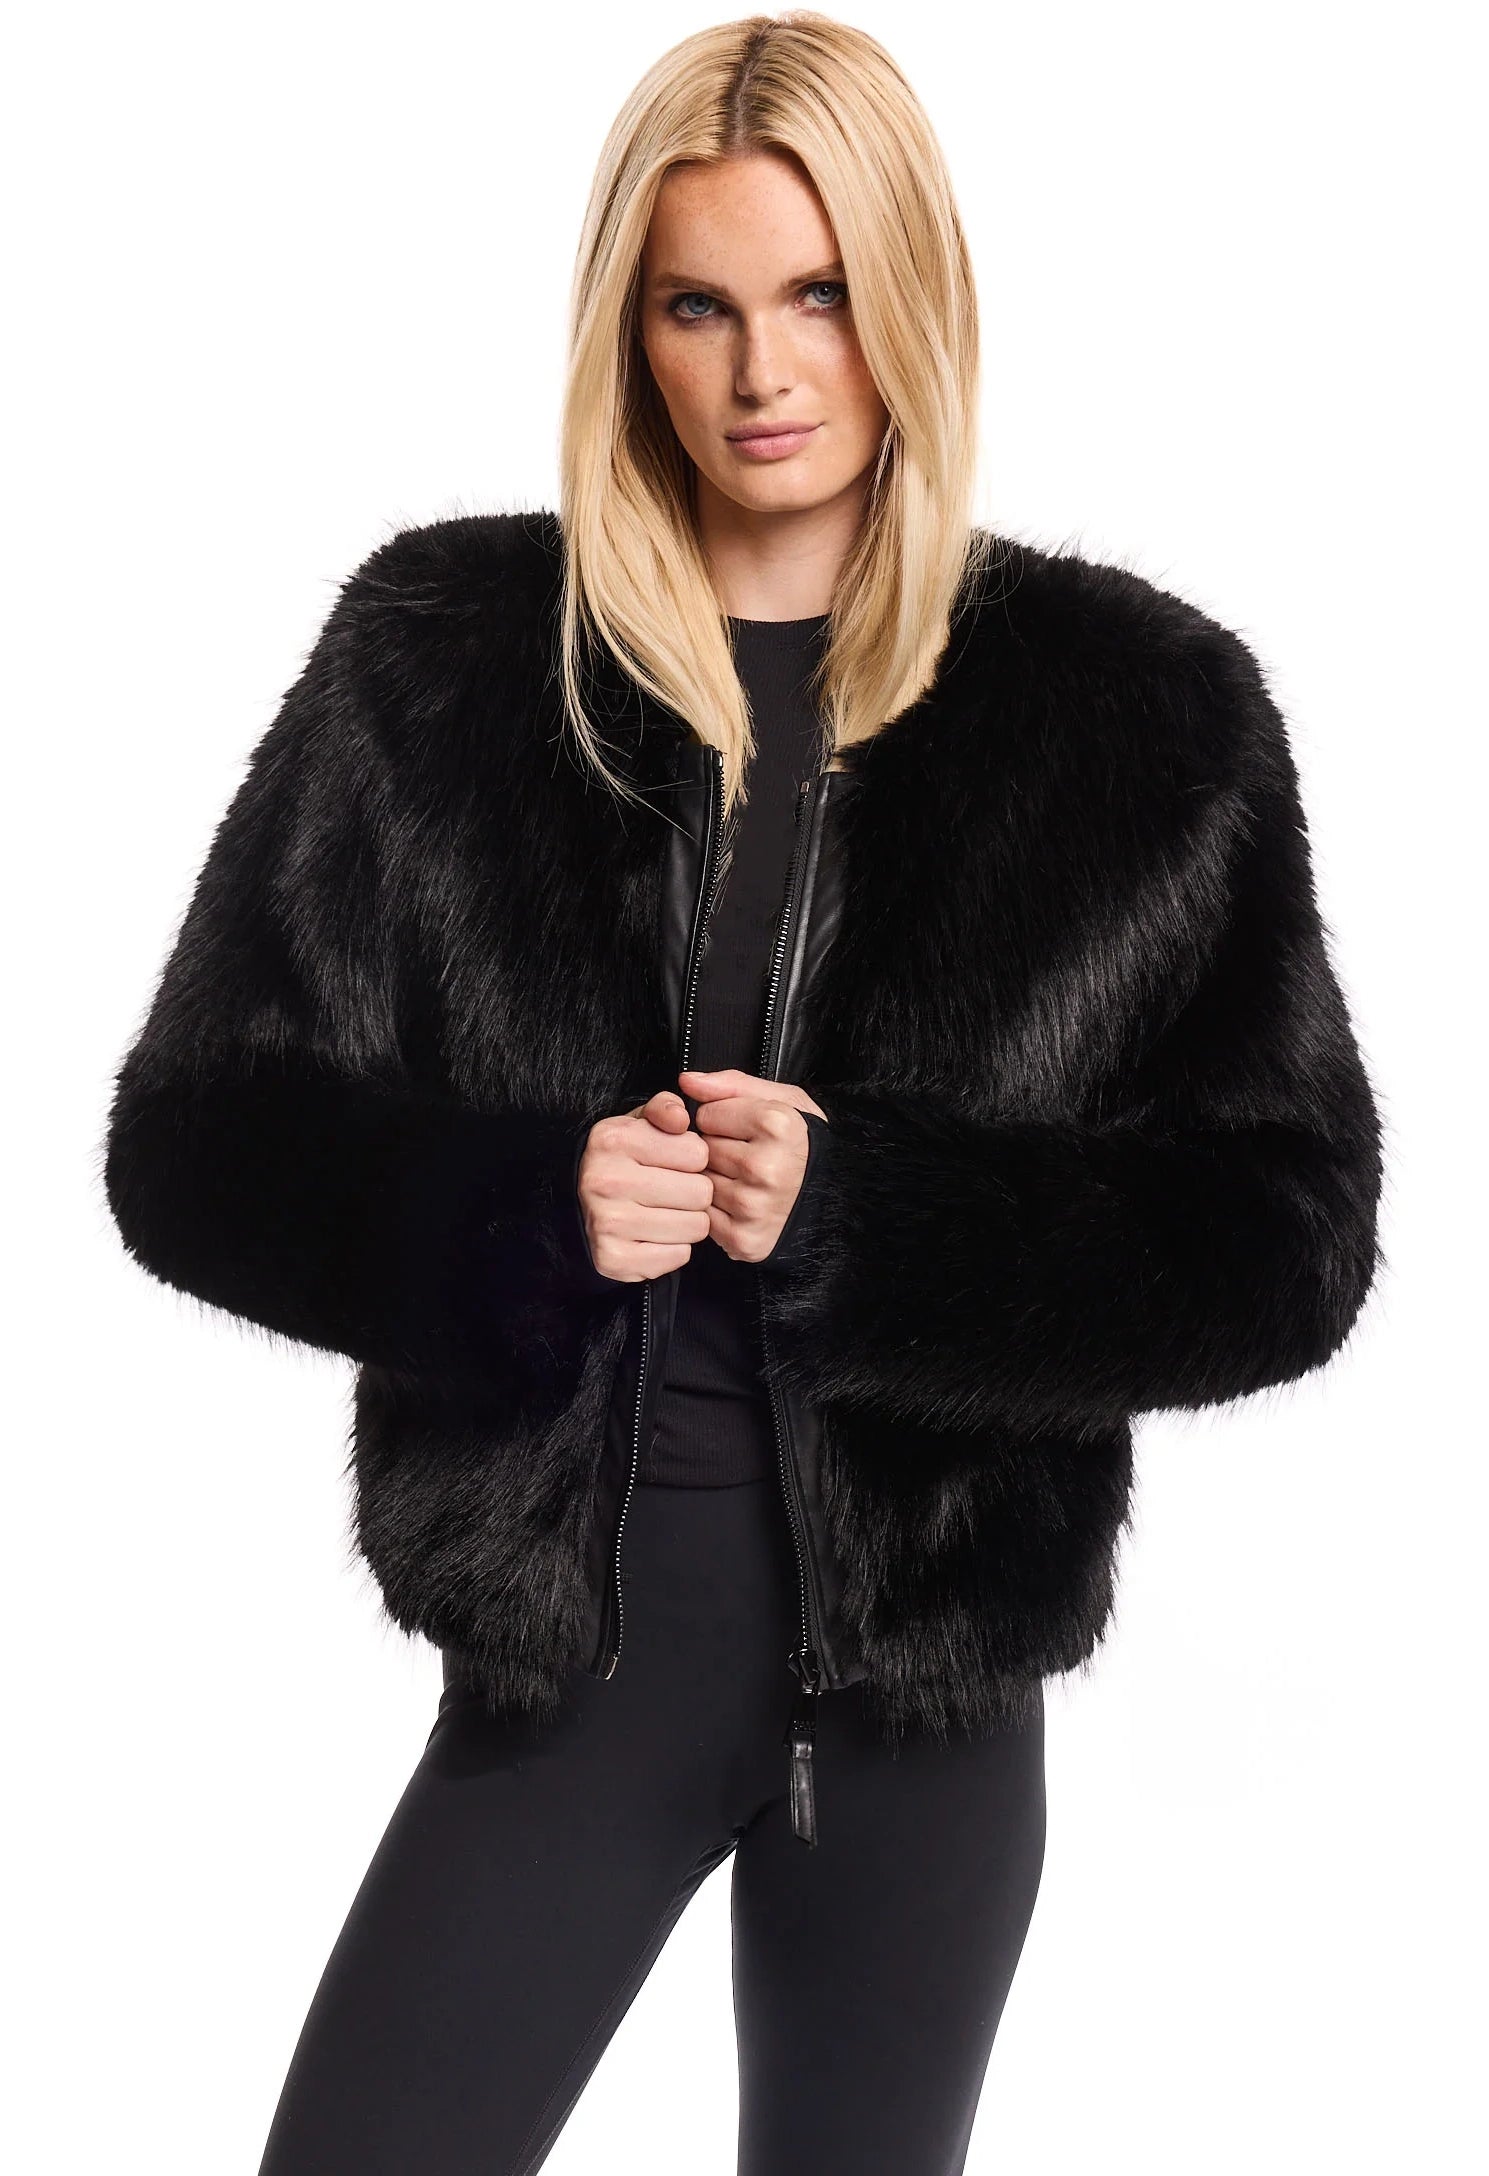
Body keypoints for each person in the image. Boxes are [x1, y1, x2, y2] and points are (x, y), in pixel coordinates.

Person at [100, 14, 1383, 2175]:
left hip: (924, 1714)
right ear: (630, 328)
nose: (763, 370)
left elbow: (1286, 1234)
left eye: (819, 295)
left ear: (912, 304)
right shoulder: (440, 663)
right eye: (697, 304)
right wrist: (521, 1211)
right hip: (575, 1673)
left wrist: (875, 1221)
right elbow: (194, 1135)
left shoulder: (1141, 720)